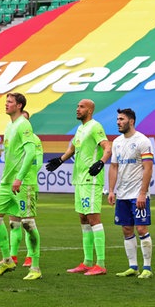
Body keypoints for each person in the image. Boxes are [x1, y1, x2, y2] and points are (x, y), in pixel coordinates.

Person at [46, 98, 111, 276]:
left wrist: (101, 162)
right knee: (83, 218)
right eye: (77, 106)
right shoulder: (81, 128)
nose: (77, 109)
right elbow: (73, 148)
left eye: (81, 107)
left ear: (89, 110)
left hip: (91, 179)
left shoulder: (95, 126)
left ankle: (101, 264)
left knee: (93, 218)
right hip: (80, 179)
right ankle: (87, 262)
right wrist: (60, 160)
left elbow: (107, 146)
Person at [0, 93, 42, 281]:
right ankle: (7, 259)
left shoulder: (24, 124)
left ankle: (35, 267)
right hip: (6, 182)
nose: (6, 104)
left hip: (23, 182)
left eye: (9, 102)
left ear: (19, 105)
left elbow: (30, 154)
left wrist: (19, 178)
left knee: (27, 223)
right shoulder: (9, 125)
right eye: (6, 102)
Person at [107, 108, 154, 279]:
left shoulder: (142, 141)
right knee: (126, 229)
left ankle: (147, 268)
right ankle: (133, 266)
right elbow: (114, 167)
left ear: (131, 121)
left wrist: (142, 193)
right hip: (123, 194)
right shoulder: (117, 142)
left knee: (141, 228)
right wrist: (112, 190)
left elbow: (148, 168)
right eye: (118, 119)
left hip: (138, 194)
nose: (118, 122)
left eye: (121, 119)